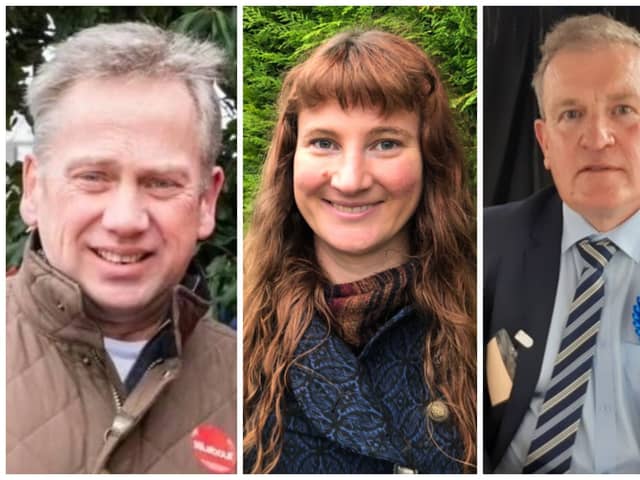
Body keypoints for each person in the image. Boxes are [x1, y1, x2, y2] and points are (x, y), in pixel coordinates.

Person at [6, 22, 236, 474]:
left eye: (162, 183)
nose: (126, 220)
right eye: (93, 177)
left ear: (207, 202)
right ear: (33, 189)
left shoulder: (258, 381)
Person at [243, 30, 477, 473]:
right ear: (291, 161)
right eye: (324, 142)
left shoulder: (485, 316)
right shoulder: (238, 339)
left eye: (385, 143)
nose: (350, 179)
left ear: (431, 162)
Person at [484, 13, 640, 474]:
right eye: (572, 114)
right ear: (545, 141)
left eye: (624, 109)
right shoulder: (485, 243)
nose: (597, 138)